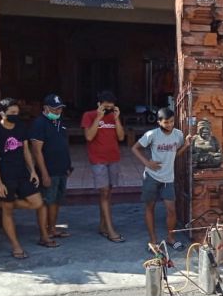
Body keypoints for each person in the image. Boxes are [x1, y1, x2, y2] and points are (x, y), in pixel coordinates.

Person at [0, 98, 58, 259]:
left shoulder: (21, 127)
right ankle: (16, 246)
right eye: (11, 113)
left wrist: (32, 170)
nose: (15, 116)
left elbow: (26, 150)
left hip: (22, 173)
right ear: (2, 113)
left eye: (17, 113)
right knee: (8, 211)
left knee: (37, 202)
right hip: (5, 175)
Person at [131, 108, 195, 250]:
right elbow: (135, 148)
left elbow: (174, 155)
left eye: (172, 121)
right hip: (151, 177)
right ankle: (153, 241)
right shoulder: (152, 135)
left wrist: (185, 145)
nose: (169, 125)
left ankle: (171, 238)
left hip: (168, 179)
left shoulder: (178, 135)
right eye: (166, 122)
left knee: (171, 210)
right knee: (150, 208)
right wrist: (147, 163)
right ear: (159, 122)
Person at [81, 90, 125, 243]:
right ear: (98, 105)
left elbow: (121, 137)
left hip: (113, 158)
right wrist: (98, 118)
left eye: (111, 108)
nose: (108, 110)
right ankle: (110, 228)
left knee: (108, 193)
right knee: (104, 191)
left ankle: (102, 225)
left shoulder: (113, 116)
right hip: (98, 159)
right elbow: (89, 136)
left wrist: (117, 119)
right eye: (105, 107)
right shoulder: (89, 115)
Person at [30, 94, 73, 239]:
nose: (57, 112)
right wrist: (44, 174)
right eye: (54, 109)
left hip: (61, 169)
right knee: (46, 201)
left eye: (60, 109)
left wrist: (68, 166)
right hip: (49, 170)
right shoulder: (39, 123)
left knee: (56, 200)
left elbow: (64, 145)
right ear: (45, 108)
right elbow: (36, 151)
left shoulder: (61, 122)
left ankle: (52, 229)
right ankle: (44, 233)